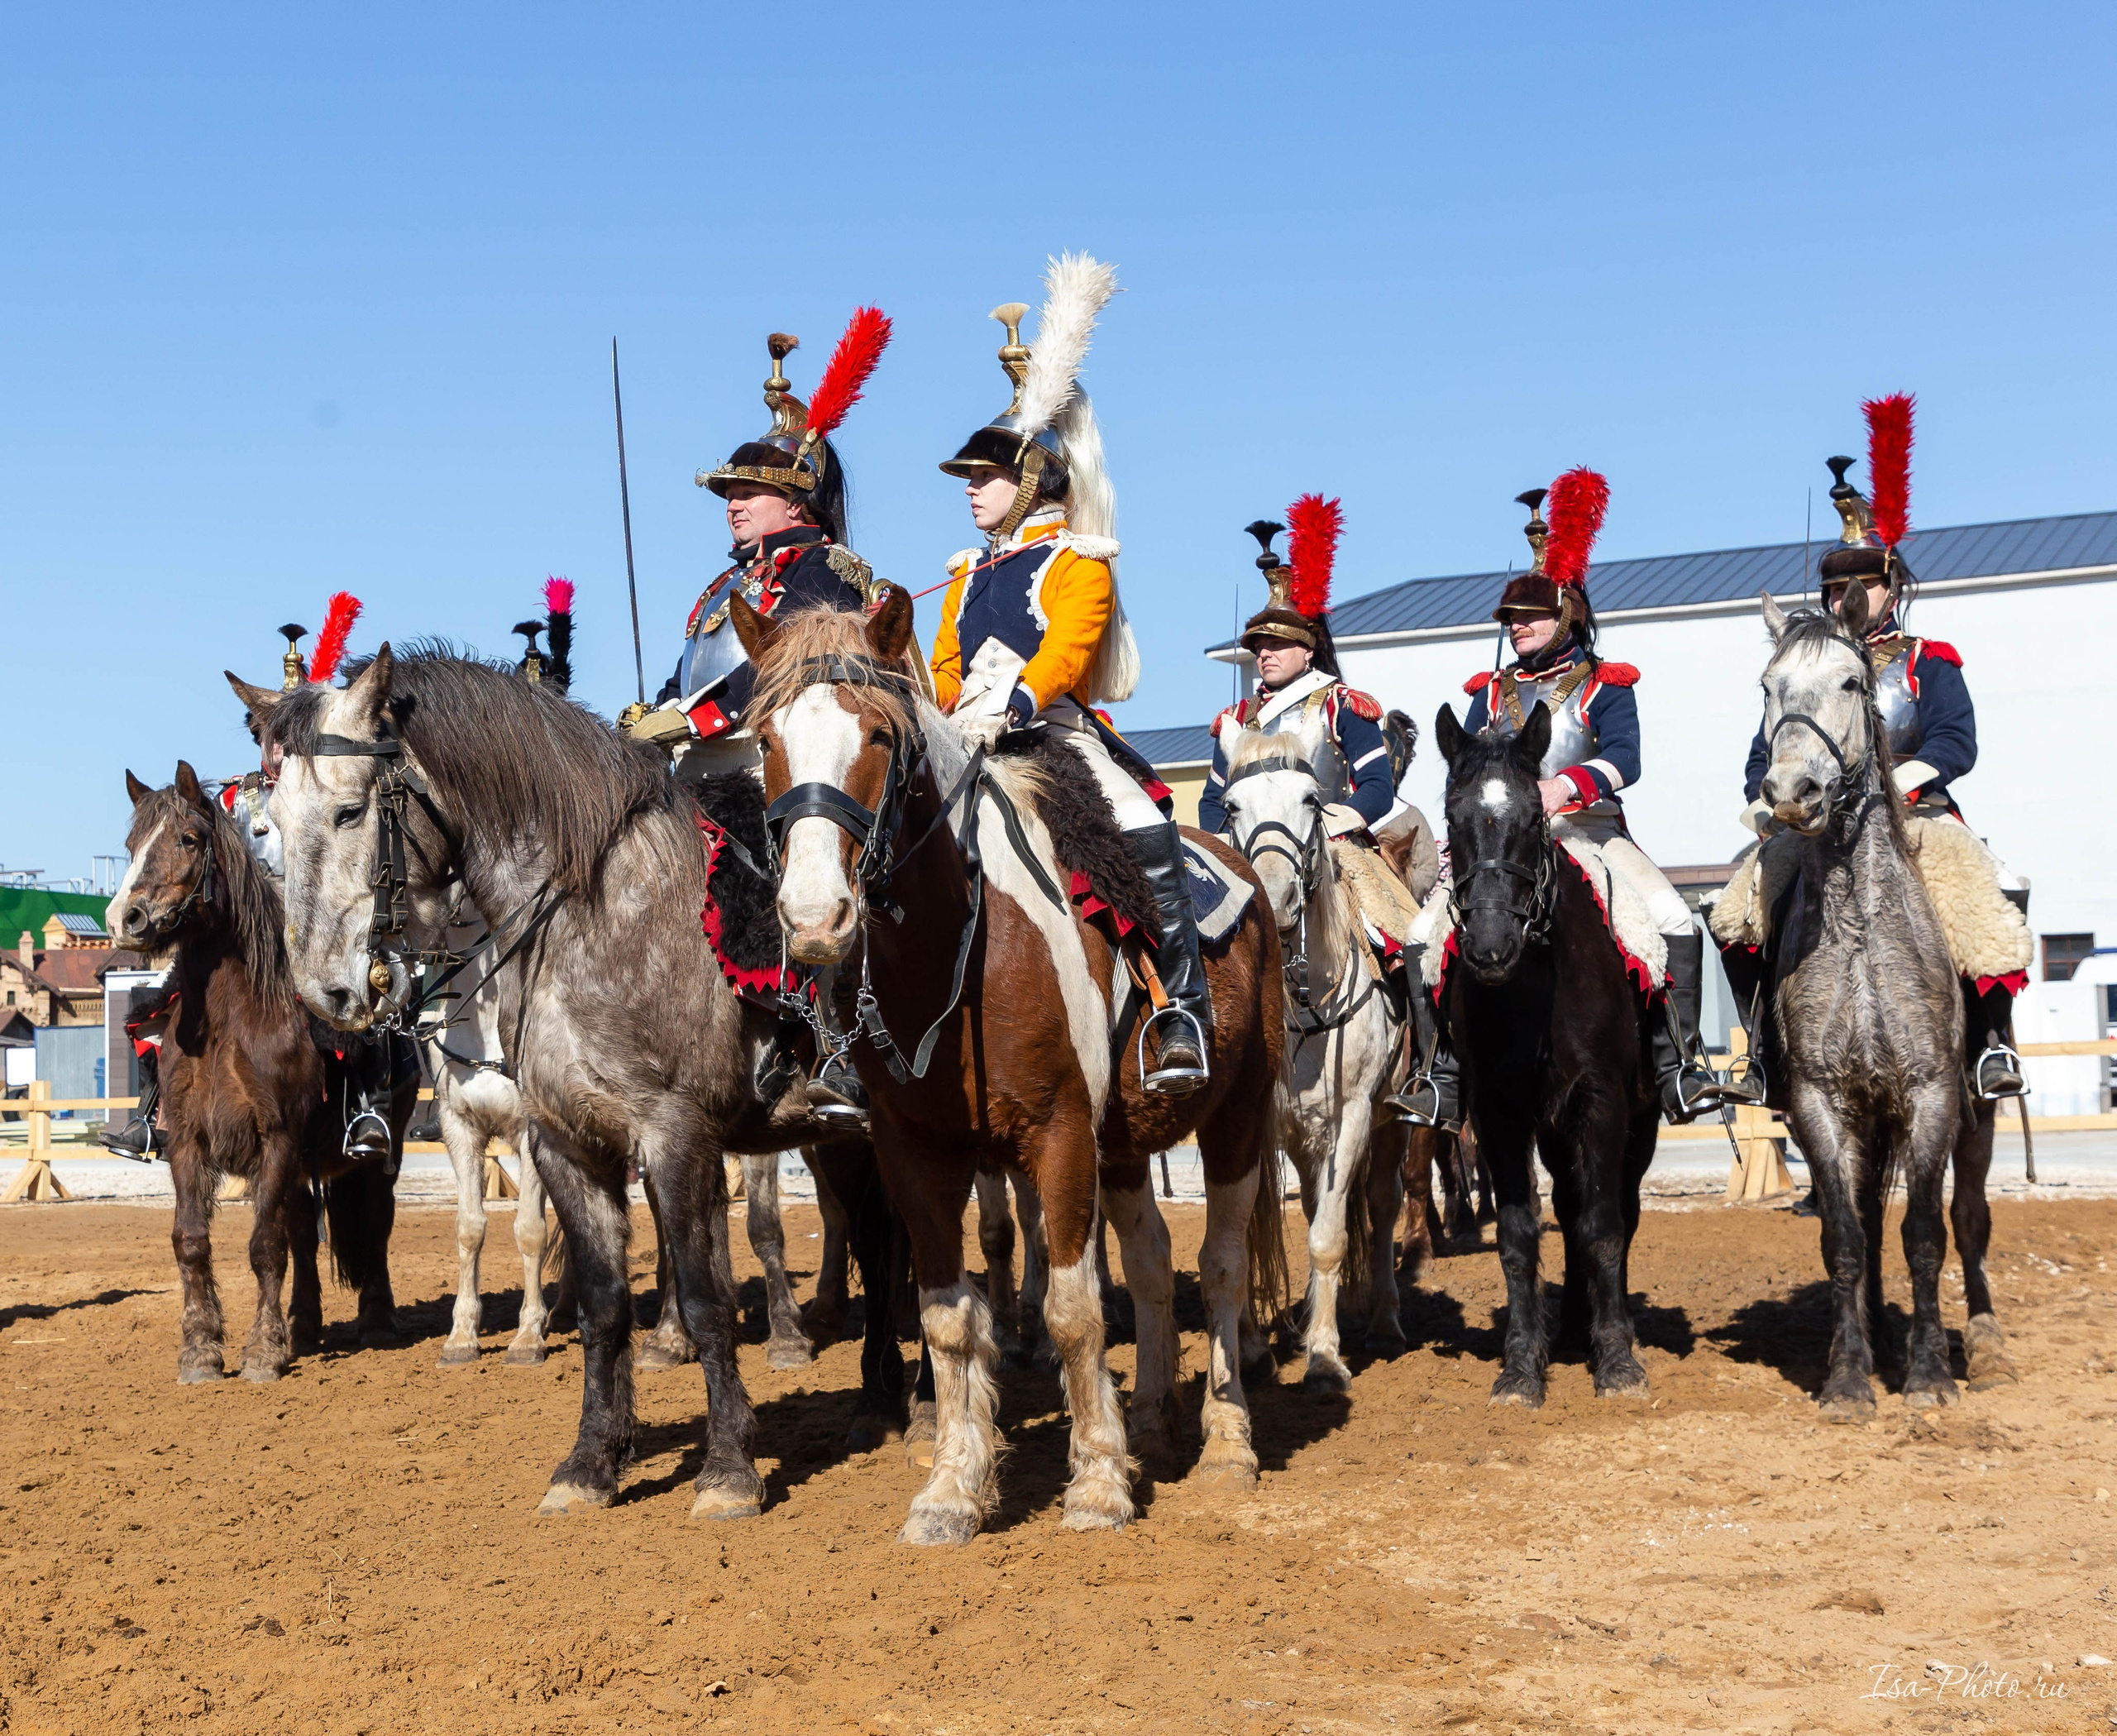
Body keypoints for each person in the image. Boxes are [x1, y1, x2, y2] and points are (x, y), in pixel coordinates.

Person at [928, 255, 1208, 1097]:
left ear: (1032, 482)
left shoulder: (1078, 562)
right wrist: (954, 708)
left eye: (985, 477)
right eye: (970, 479)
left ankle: (1176, 1010)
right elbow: (941, 657)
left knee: (1146, 831)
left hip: (1052, 733)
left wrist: (1011, 701)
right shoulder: (963, 572)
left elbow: (1068, 654)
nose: (972, 491)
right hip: (965, 734)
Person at [1399, 470, 1738, 1131]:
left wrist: (1567, 785)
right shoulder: (1487, 691)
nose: (1517, 626)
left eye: (1529, 615)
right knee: (1421, 934)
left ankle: (1680, 1062)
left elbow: (1627, 759)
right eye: (1511, 617)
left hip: (1593, 832)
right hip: (1504, 844)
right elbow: (1470, 762)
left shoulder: (1605, 684)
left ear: (1567, 614)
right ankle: (1438, 1073)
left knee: (1670, 920)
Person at [1737, 395, 2026, 1099]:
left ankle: (1992, 1045)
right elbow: (1763, 749)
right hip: (1814, 820)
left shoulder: (1928, 657)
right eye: (1836, 586)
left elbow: (1958, 740)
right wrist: (1763, 797)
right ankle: (1764, 1053)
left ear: (1889, 587)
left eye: (1860, 583)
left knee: (1994, 888)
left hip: (1917, 813)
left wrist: (1900, 786)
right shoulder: (1807, 662)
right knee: (1735, 905)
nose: (1847, 597)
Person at [624, 312, 893, 787]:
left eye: (749, 495)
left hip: (764, 764)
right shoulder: (726, 583)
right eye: (729, 497)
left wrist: (691, 719)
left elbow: (783, 663)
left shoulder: (824, 568)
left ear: (796, 505)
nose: (734, 507)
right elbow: (689, 674)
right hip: (695, 765)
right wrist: (657, 712)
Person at [1197, 499, 1395, 839]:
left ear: (1307, 651)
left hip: (1335, 847)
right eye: (1259, 647)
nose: (1264, 655)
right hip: (1254, 852)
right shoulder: (1238, 717)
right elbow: (1212, 802)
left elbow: (1377, 788)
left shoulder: (1342, 706)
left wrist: (1326, 828)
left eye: (1276, 645)